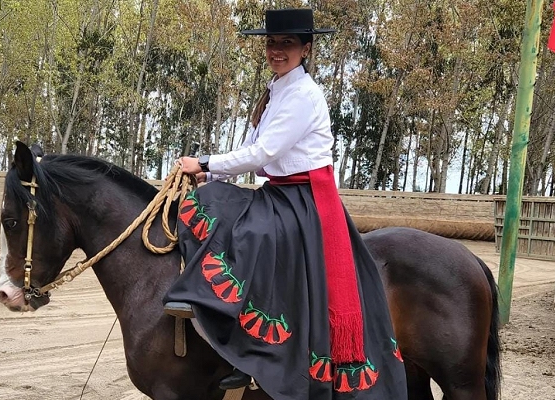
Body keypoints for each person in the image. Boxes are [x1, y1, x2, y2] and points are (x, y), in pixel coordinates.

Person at [164, 8, 407, 399]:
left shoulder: (304, 95)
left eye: (287, 44)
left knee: (254, 234)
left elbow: (264, 151)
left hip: (306, 200)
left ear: (305, 48)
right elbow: (253, 150)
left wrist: (205, 162)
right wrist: (210, 176)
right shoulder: (277, 89)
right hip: (280, 191)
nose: (277, 51)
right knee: (213, 199)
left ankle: (256, 353)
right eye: (272, 43)